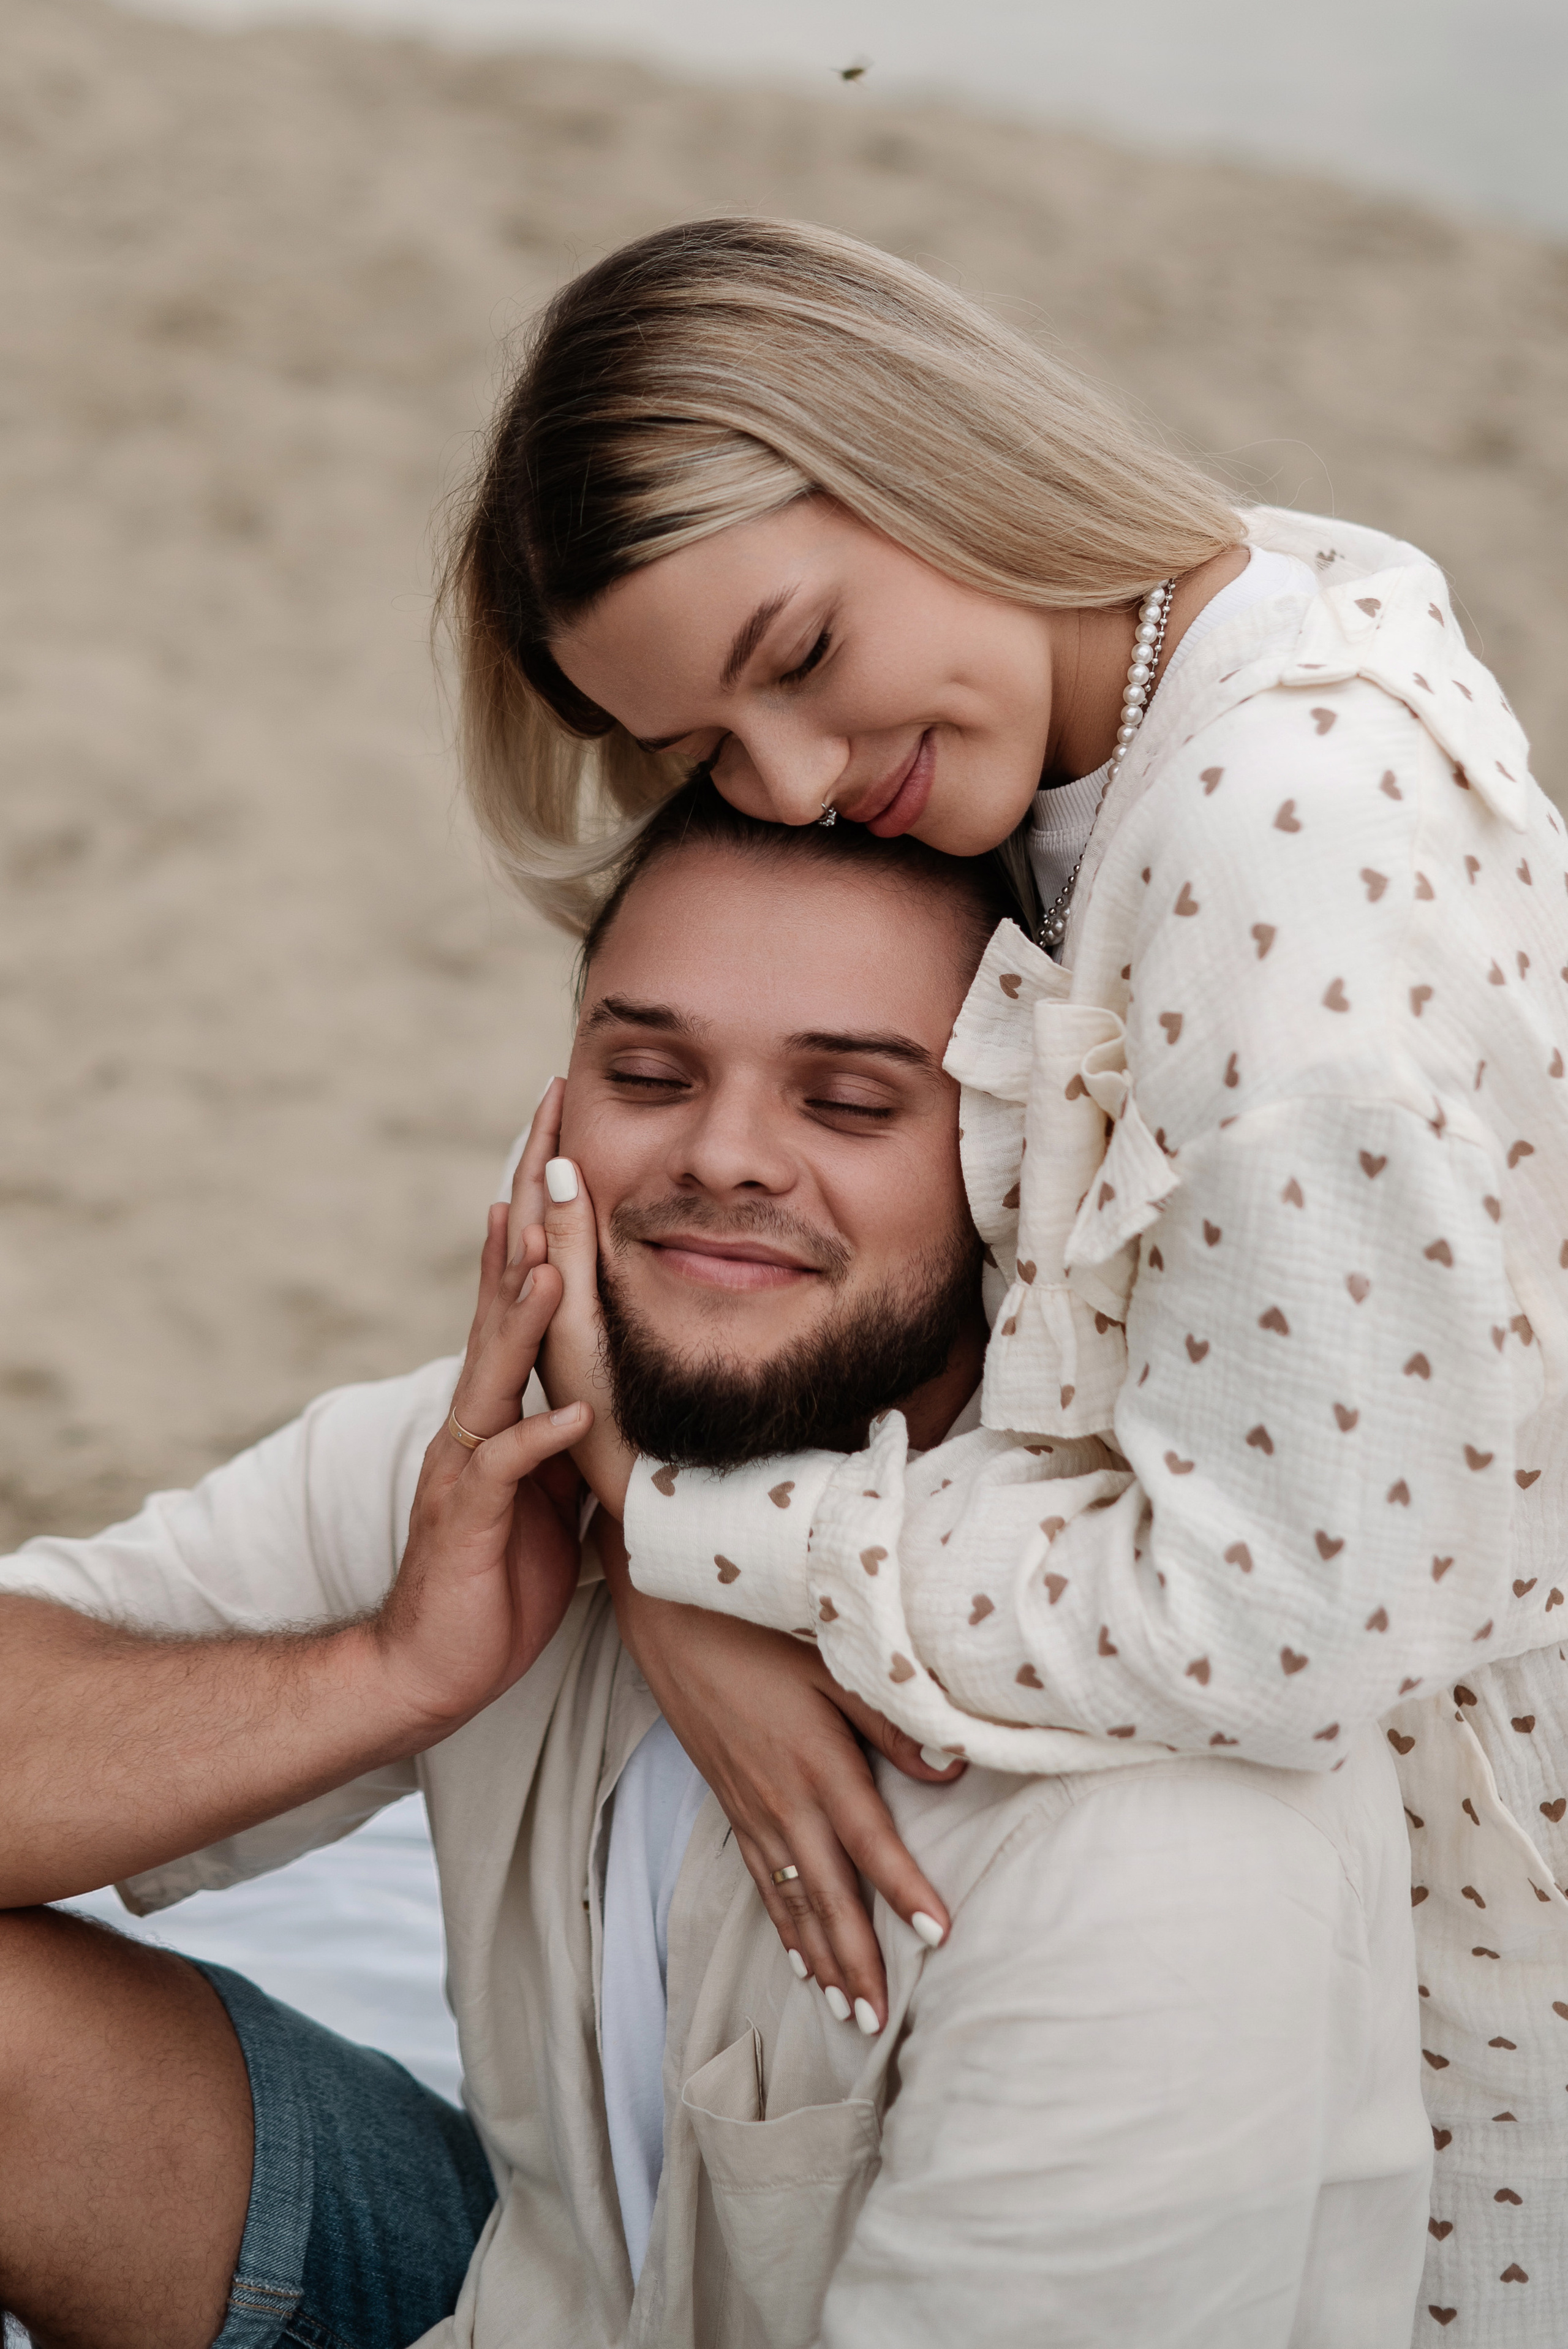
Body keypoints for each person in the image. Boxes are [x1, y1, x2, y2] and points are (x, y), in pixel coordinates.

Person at [444, 214, 1568, 2339]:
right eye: (704, 747)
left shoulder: (1277, 817)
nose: (789, 792)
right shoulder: (1097, 711)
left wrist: (692, 1531)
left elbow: (1297, 1606)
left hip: (1458, 1910)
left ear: (928, 449)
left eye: (794, 655)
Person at [0, 795, 1429, 2349]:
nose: (723, 1154)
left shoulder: (1153, 1814)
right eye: (648, 1076)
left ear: (1017, 1165)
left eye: (851, 1102)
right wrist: (394, 1668)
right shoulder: (499, 1468)